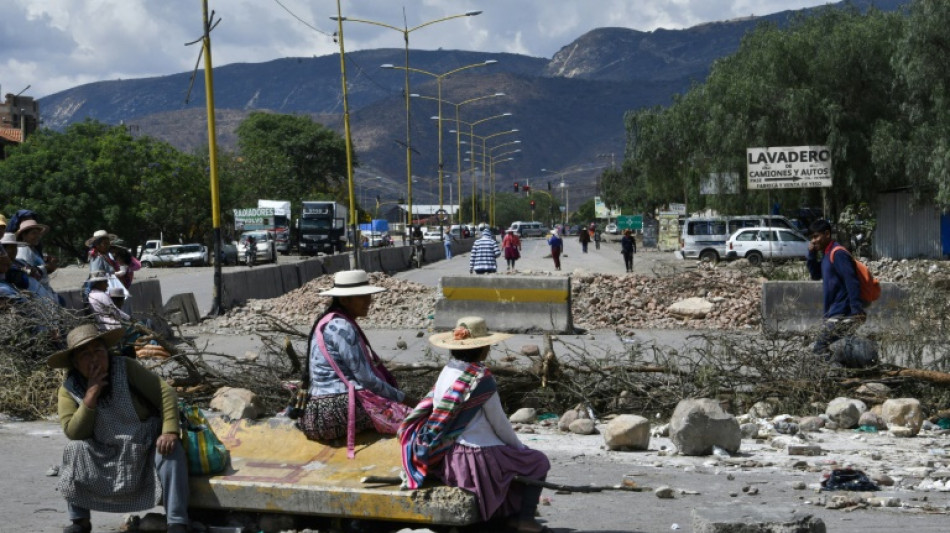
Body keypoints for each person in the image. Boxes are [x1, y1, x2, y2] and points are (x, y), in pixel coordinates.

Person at [400, 316, 550, 533]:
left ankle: (505, 516)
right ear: (482, 349)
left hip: (451, 457)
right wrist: (519, 448)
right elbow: (499, 424)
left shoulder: (447, 371)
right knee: (537, 462)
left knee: (514, 459)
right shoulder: (480, 379)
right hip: (479, 459)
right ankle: (525, 519)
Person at [50, 323, 190, 533]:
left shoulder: (125, 368)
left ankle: (177, 522)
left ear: (107, 352)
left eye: (98, 351)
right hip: (104, 450)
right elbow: (73, 432)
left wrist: (169, 431)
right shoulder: (69, 389)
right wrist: (90, 396)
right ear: (75, 364)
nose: (95, 358)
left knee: (170, 450)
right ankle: (80, 521)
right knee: (74, 450)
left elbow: (165, 393)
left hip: (143, 444)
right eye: (86, 355)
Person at [297, 270, 415, 450]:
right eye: (362, 297)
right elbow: (367, 379)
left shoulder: (328, 321)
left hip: (316, 411)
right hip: (334, 411)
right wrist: (408, 400)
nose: (369, 301)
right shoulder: (342, 327)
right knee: (415, 419)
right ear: (345, 300)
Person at [806, 219, 866, 363]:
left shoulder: (838, 254)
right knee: (841, 350)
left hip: (842, 315)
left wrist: (856, 310)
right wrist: (811, 254)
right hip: (834, 313)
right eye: (811, 238)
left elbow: (851, 281)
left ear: (827, 234)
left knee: (820, 349)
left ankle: (833, 378)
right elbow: (815, 274)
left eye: (816, 236)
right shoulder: (827, 255)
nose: (813, 241)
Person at [15, 217, 59, 294]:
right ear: (24, 235)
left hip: (43, 289)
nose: (38, 236)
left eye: (38, 233)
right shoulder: (23, 250)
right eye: (34, 233)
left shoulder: (32, 249)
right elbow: (26, 271)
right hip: (36, 292)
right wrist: (47, 268)